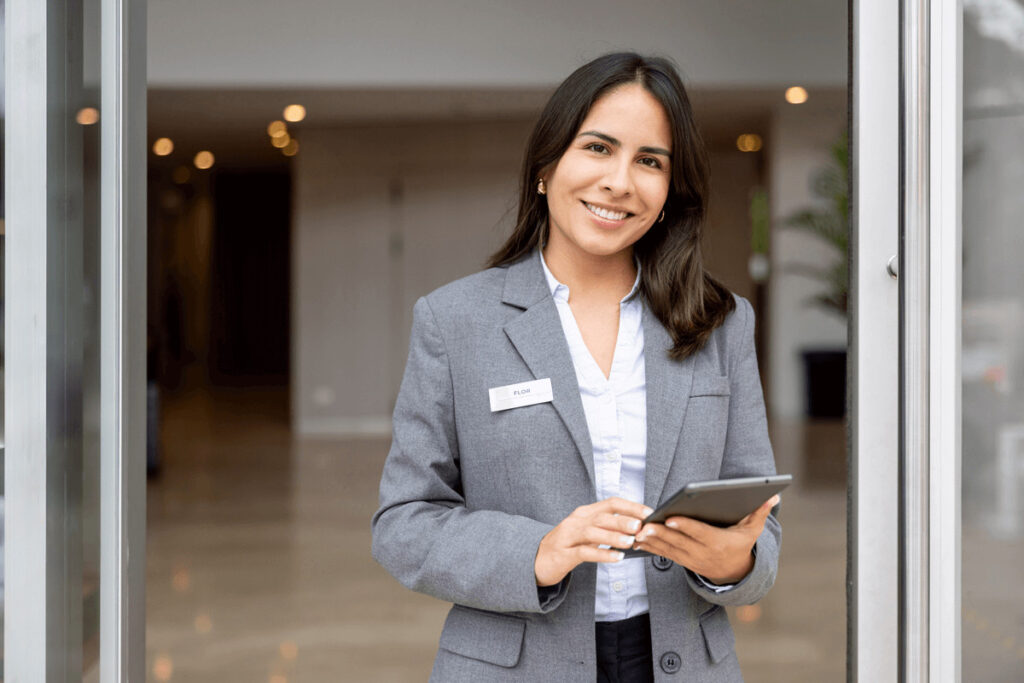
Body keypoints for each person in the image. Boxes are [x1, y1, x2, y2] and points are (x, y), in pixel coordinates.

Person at [371, 52, 780, 682]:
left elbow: (761, 522)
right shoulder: (456, 321)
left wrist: (734, 564)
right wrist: (537, 551)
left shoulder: (720, 321)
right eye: (598, 147)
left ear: (671, 189)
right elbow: (404, 523)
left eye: (650, 160)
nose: (620, 181)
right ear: (545, 167)